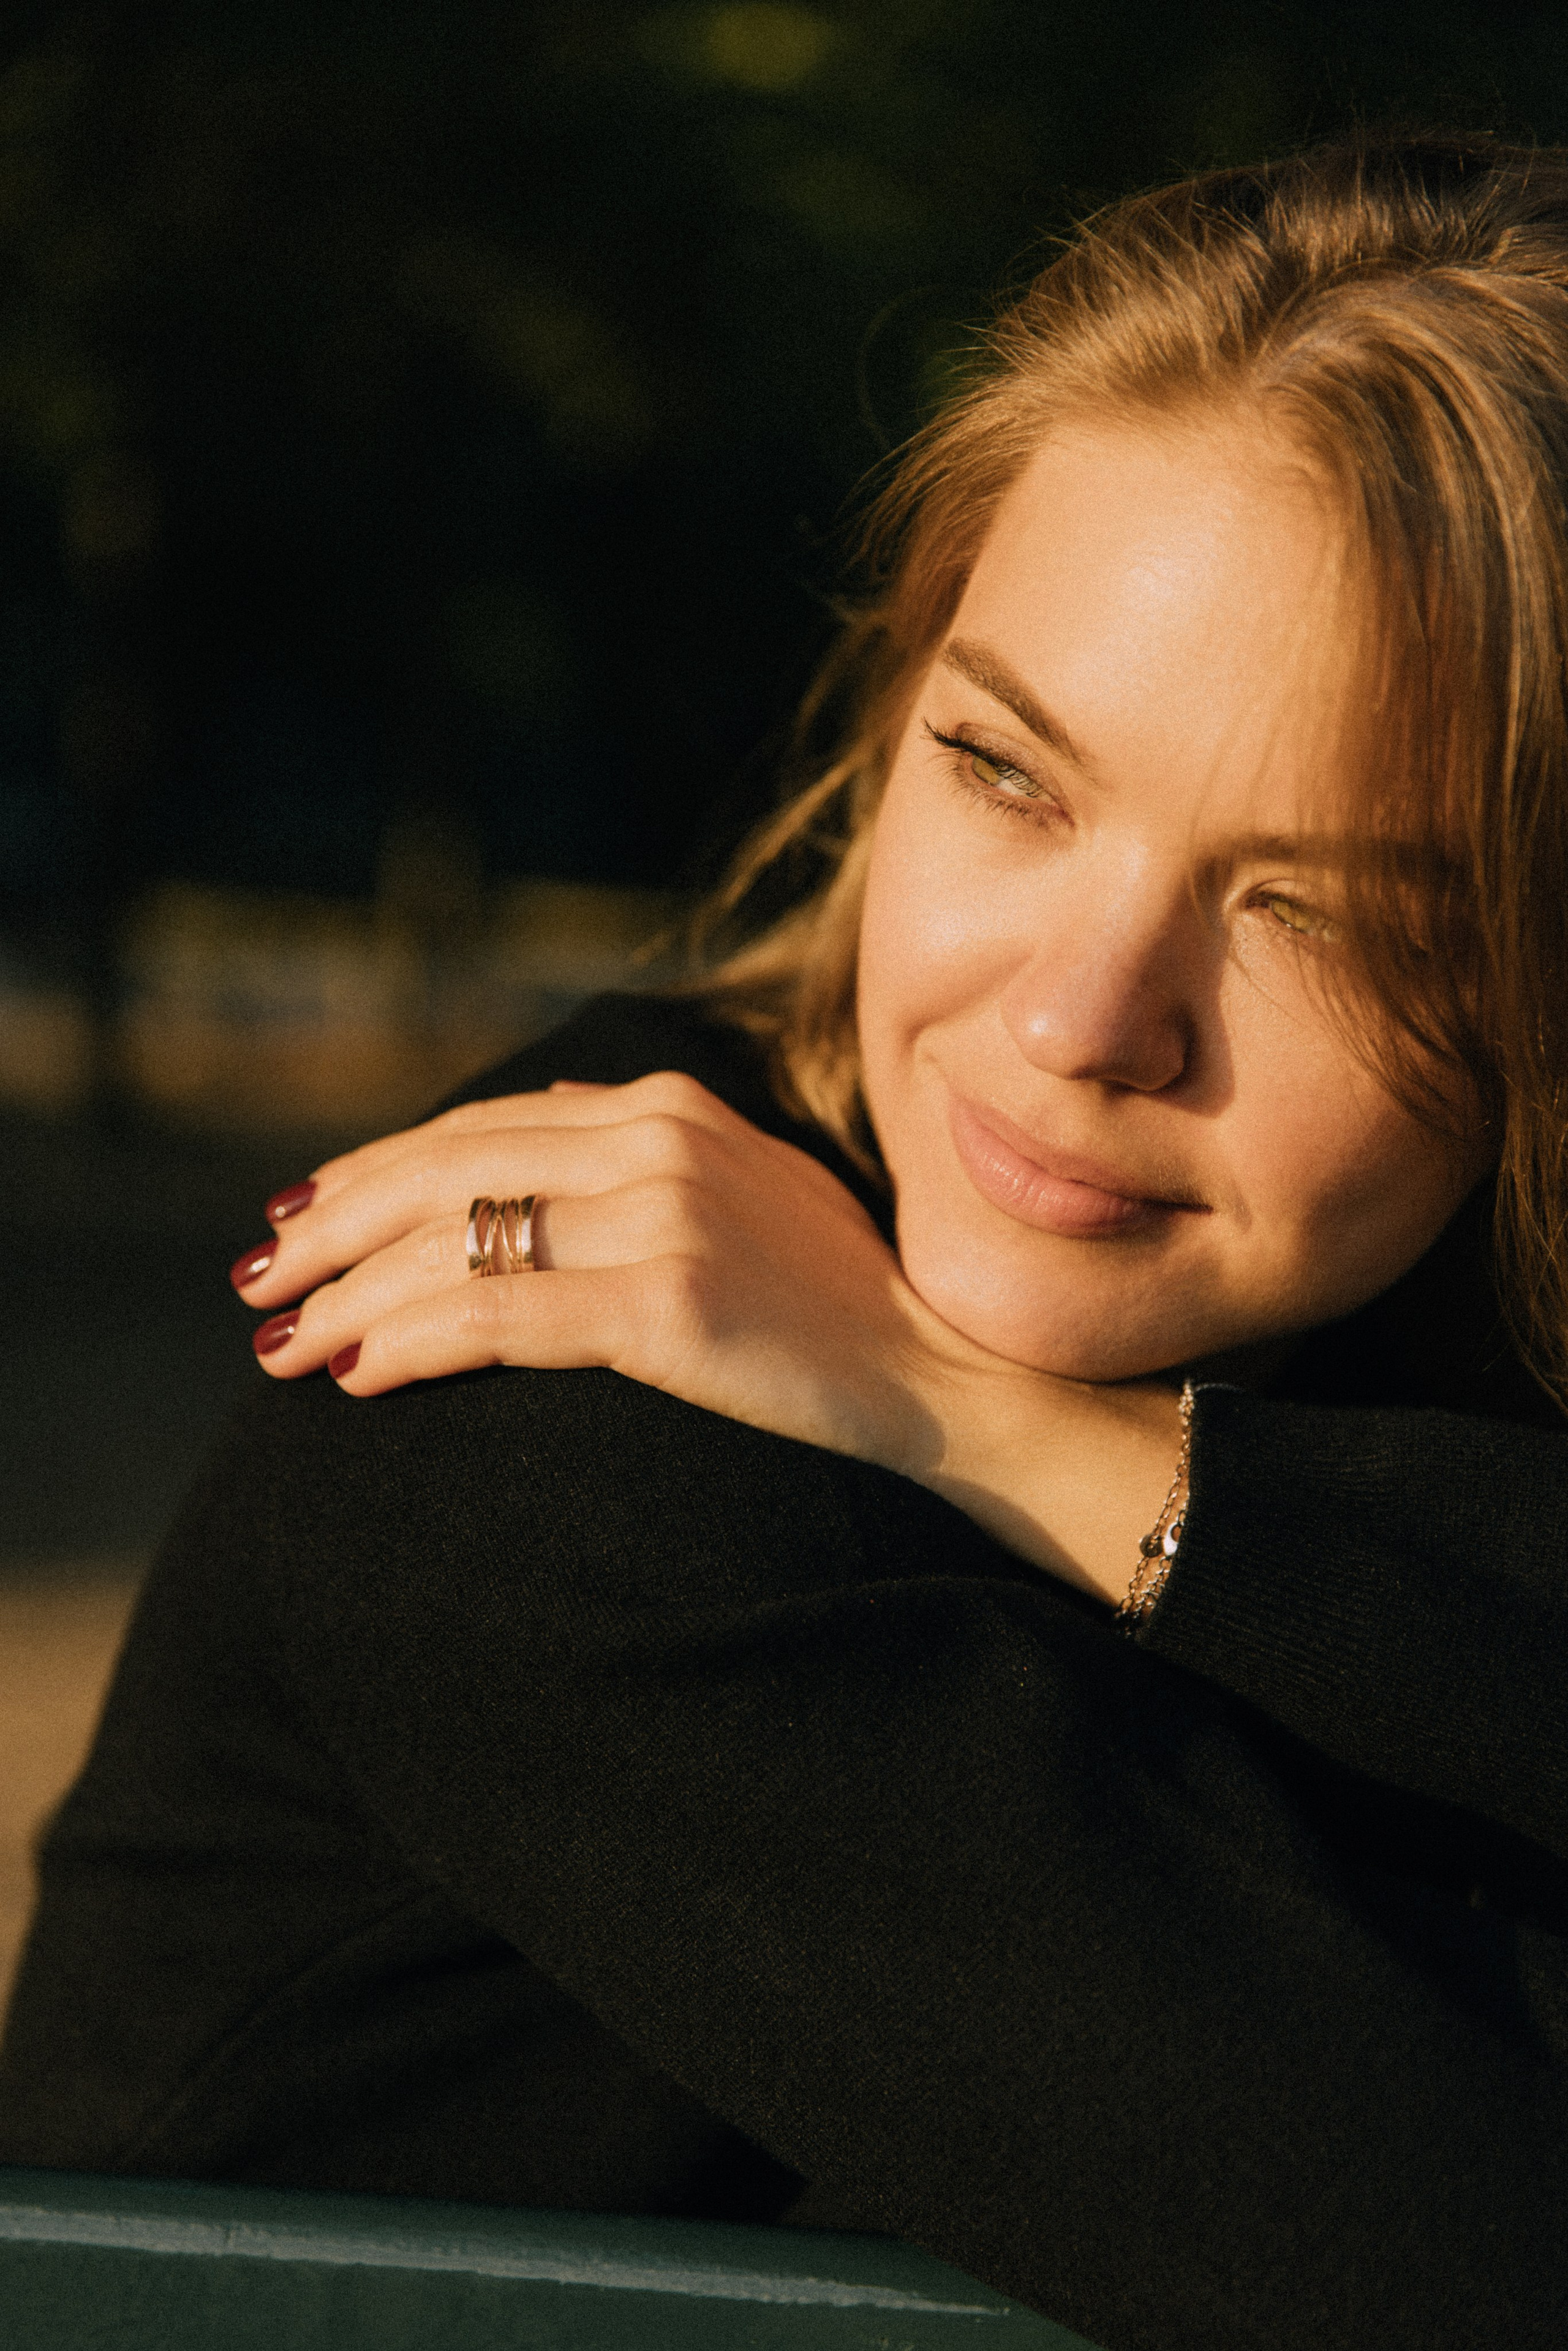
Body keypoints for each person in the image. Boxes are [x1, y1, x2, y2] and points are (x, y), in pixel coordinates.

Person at [3, 137, 1567, 2351]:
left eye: (1328, 915)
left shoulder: (1403, 1335)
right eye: (1010, 775)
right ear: (895, 712)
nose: (1078, 1022)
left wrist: (1000, 1432)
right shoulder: (530, 1387)